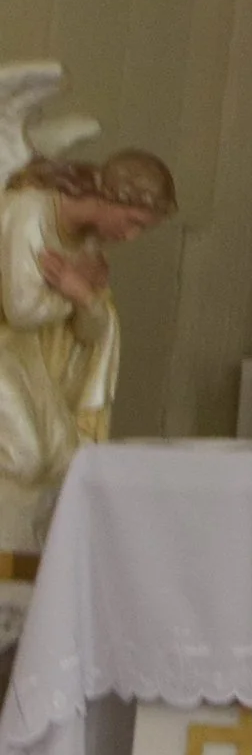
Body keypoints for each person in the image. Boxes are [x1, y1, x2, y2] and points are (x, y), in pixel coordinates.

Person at [0, 125, 176, 561]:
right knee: (23, 454)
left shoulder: (88, 241)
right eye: (133, 223)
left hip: (24, 360)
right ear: (113, 197)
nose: (131, 237)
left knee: (61, 457)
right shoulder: (29, 212)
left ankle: (19, 565)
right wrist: (75, 295)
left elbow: (92, 331)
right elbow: (21, 307)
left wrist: (85, 301)